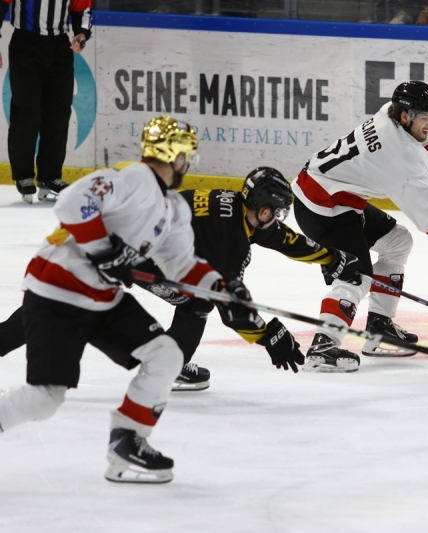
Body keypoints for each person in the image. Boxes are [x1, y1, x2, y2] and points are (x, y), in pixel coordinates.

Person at [0, 116, 256, 484]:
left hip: (102, 296)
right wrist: (104, 250)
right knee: (44, 399)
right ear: (177, 156)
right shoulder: (134, 178)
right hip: (58, 290)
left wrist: (223, 286)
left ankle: (127, 440)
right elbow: (72, 202)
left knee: (166, 355)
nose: (188, 163)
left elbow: (182, 264)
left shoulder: (174, 208)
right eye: (186, 155)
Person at [0, 167, 365, 389]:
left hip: (122, 243)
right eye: (279, 211)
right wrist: (269, 336)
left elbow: (282, 239)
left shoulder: (240, 208)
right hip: (125, 256)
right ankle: (172, 367)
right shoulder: (231, 242)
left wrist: (332, 257)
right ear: (265, 208)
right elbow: (229, 305)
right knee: (198, 302)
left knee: (51, 310)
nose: (280, 218)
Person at [291, 80, 428, 373]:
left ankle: (380, 326)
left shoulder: (390, 114)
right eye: (424, 118)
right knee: (355, 276)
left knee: (397, 241)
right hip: (323, 206)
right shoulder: (400, 157)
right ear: (405, 116)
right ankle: (323, 344)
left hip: (332, 194)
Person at [0, 0, 92, 203]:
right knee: (27, 112)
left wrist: (82, 33)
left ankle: (50, 176)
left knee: (58, 114)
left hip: (59, 47)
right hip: (25, 46)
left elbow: (82, 9)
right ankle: (23, 175)